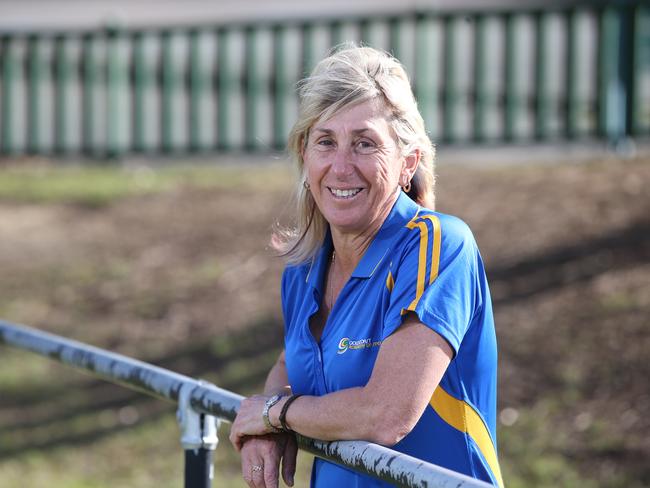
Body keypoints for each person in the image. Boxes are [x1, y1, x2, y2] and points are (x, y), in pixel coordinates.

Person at [229, 45, 503, 488]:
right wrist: (270, 420)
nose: (341, 167)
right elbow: (291, 364)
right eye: (325, 141)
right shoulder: (304, 267)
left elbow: (386, 414)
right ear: (305, 154)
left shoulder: (438, 247)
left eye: (364, 143)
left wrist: (275, 415)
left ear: (406, 162)